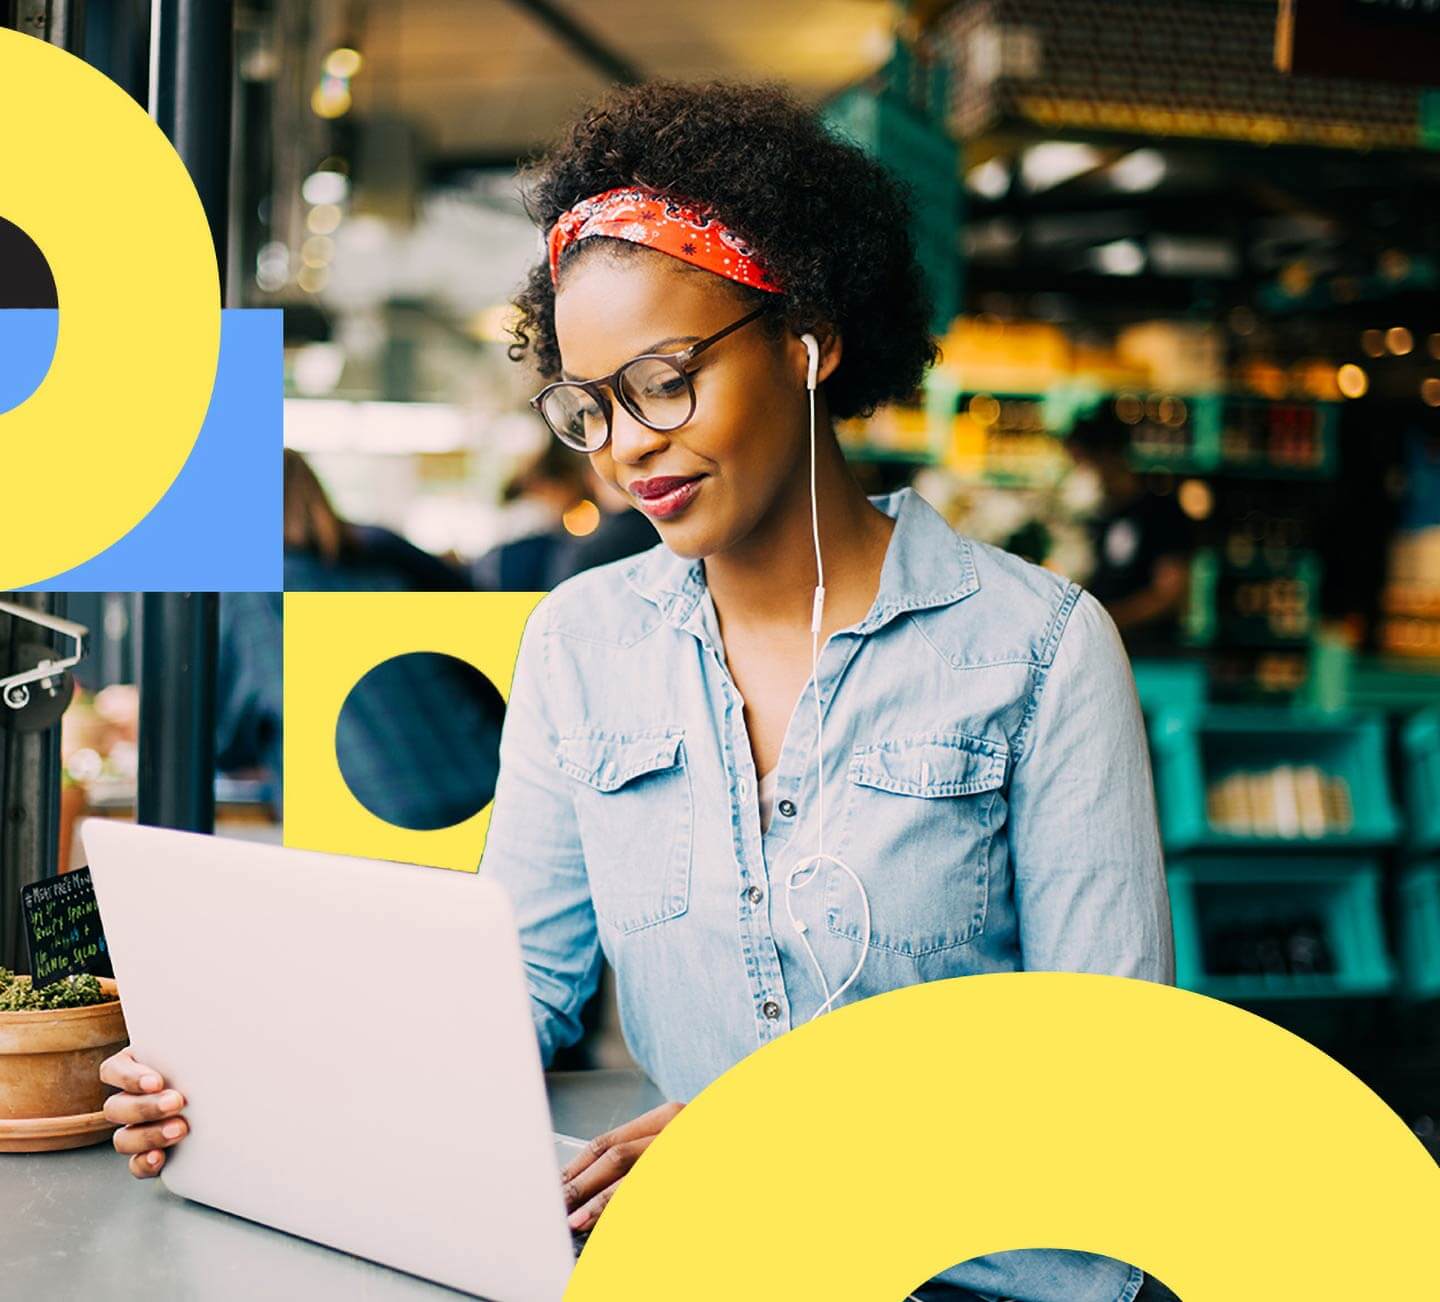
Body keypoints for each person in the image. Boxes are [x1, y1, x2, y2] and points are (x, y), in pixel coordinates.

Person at [102, 82, 1174, 1302]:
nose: (627, 447)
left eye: (665, 381)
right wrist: (241, 1088)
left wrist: (769, 1152)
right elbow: (510, 996)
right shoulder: (586, 643)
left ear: (807, 340)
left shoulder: (1035, 648)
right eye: (591, 408)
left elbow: (1108, 1089)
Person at [1066, 409, 1196, 654]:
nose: (1077, 475)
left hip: (1149, 654)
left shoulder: (1161, 512)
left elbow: (1169, 594)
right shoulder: (1093, 516)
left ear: (1106, 456)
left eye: (1081, 463)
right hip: (1099, 648)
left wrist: (1106, 619)